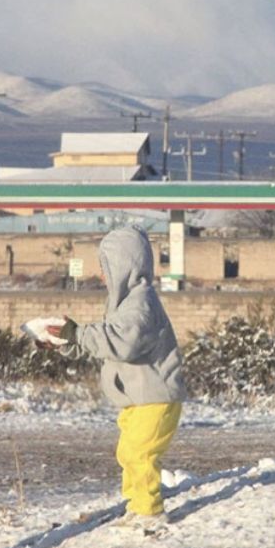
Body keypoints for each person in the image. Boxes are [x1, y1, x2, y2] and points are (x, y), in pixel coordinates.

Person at [37, 226, 185, 530]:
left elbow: (122, 342)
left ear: (124, 265)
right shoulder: (124, 304)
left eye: (106, 267)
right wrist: (66, 342)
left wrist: (78, 333)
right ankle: (136, 504)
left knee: (140, 454)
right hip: (136, 399)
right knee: (127, 453)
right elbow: (106, 343)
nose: (103, 276)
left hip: (155, 398)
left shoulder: (142, 303)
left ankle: (149, 512)